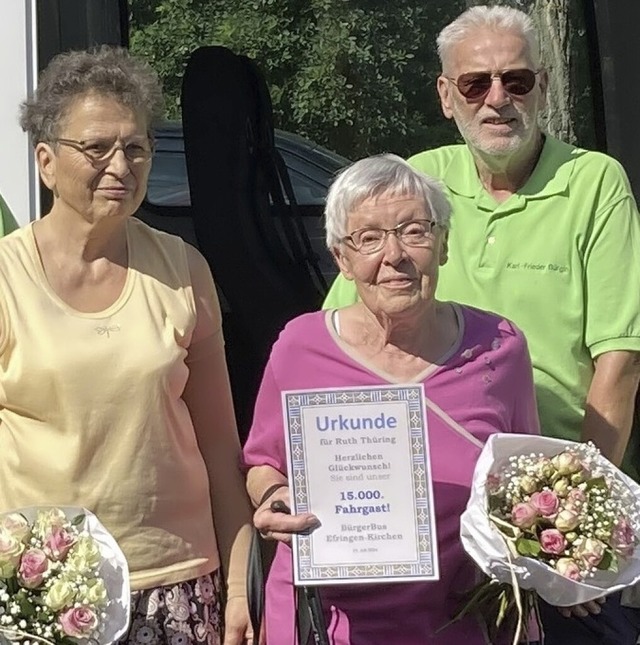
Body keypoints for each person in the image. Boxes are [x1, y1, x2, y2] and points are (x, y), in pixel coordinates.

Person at [322, 6, 640, 644]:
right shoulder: (418, 181)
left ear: (541, 88)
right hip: (424, 499)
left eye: (516, 81)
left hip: (545, 501)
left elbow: (620, 360)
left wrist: (572, 532)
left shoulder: (594, 184)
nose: (498, 99)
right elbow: (339, 329)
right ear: (446, 95)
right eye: (476, 84)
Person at [0, 46, 254, 645]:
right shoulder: (6, 279)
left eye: (136, 147)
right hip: (43, 587)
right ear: (45, 162)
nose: (121, 164)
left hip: (177, 586)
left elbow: (222, 448)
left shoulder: (183, 270)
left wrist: (242, 585)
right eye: (96, 147)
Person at [243, 154, 545, 644]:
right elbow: (262, 463)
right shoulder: (300, 348)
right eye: (368, 237)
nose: (395, 255)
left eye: (415, 231)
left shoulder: (499, 348)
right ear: (341, 259)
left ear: (443, 245)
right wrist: (276, 501)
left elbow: (530, 483)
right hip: (326, 625)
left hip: (457, 623)